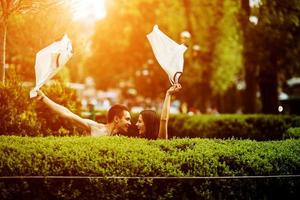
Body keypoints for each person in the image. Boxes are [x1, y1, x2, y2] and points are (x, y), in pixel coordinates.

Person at [36, 90, 131, 136]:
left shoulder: (117, 139)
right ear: (116, 119)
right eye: (127, 119)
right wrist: (43, 97)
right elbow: (68, 115)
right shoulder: (95, 128)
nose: (130, 123)